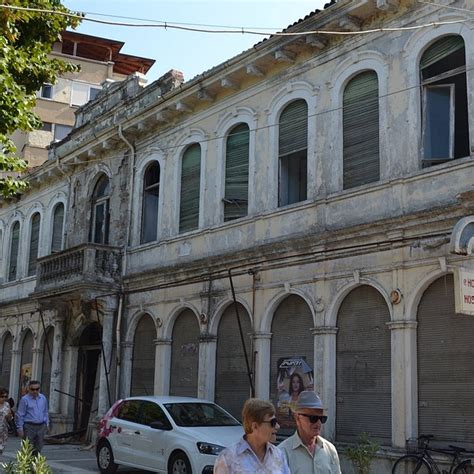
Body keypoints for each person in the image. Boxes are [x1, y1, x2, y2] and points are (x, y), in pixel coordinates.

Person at [214, 398, 290, 473]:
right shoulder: (228, 458)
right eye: (273, 422)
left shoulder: (278, 455)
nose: (277, 426)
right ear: (255, 426)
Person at [279, 391, 341, 474]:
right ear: (297, 418)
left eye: (322, 419)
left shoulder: (330, 450)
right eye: (313, 418)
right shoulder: (282, 453)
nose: (318, 423)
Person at [16, 380, 49, 455]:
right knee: (28, 447)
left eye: (37, 389)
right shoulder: (25, 399)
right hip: (29, 426)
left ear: (39, 389)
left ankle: (35, 464)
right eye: (32, 389)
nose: (35, 391)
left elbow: (45, 411)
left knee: (39, 447)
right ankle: (27, 464)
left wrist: (47, 423)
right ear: (28, 389)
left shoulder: (43, 398)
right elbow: (20, 414)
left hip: (41, 426)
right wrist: (20, 428)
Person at [0, 387, 13, 455]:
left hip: (3, 431)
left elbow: (10, 418)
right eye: (2, 396)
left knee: (1, 448)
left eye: (6, 396)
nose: (4, 398)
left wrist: (9, 416)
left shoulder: (7, 405)